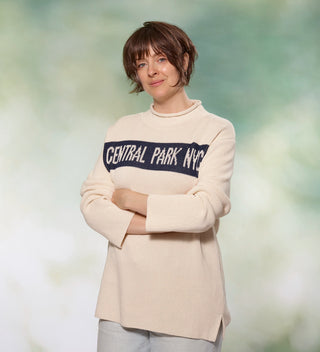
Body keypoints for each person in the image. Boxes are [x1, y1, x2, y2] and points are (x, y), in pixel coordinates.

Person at [80, 21, 236, 352]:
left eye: (161, 58)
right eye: (141, 63)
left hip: (188, 307)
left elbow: (202, 211)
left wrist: (127, 198)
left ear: (186, 60)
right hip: (120, 303)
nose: (151, 71)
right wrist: (163, 217)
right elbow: (93, 203)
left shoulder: (215, 131)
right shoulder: (121, 130)